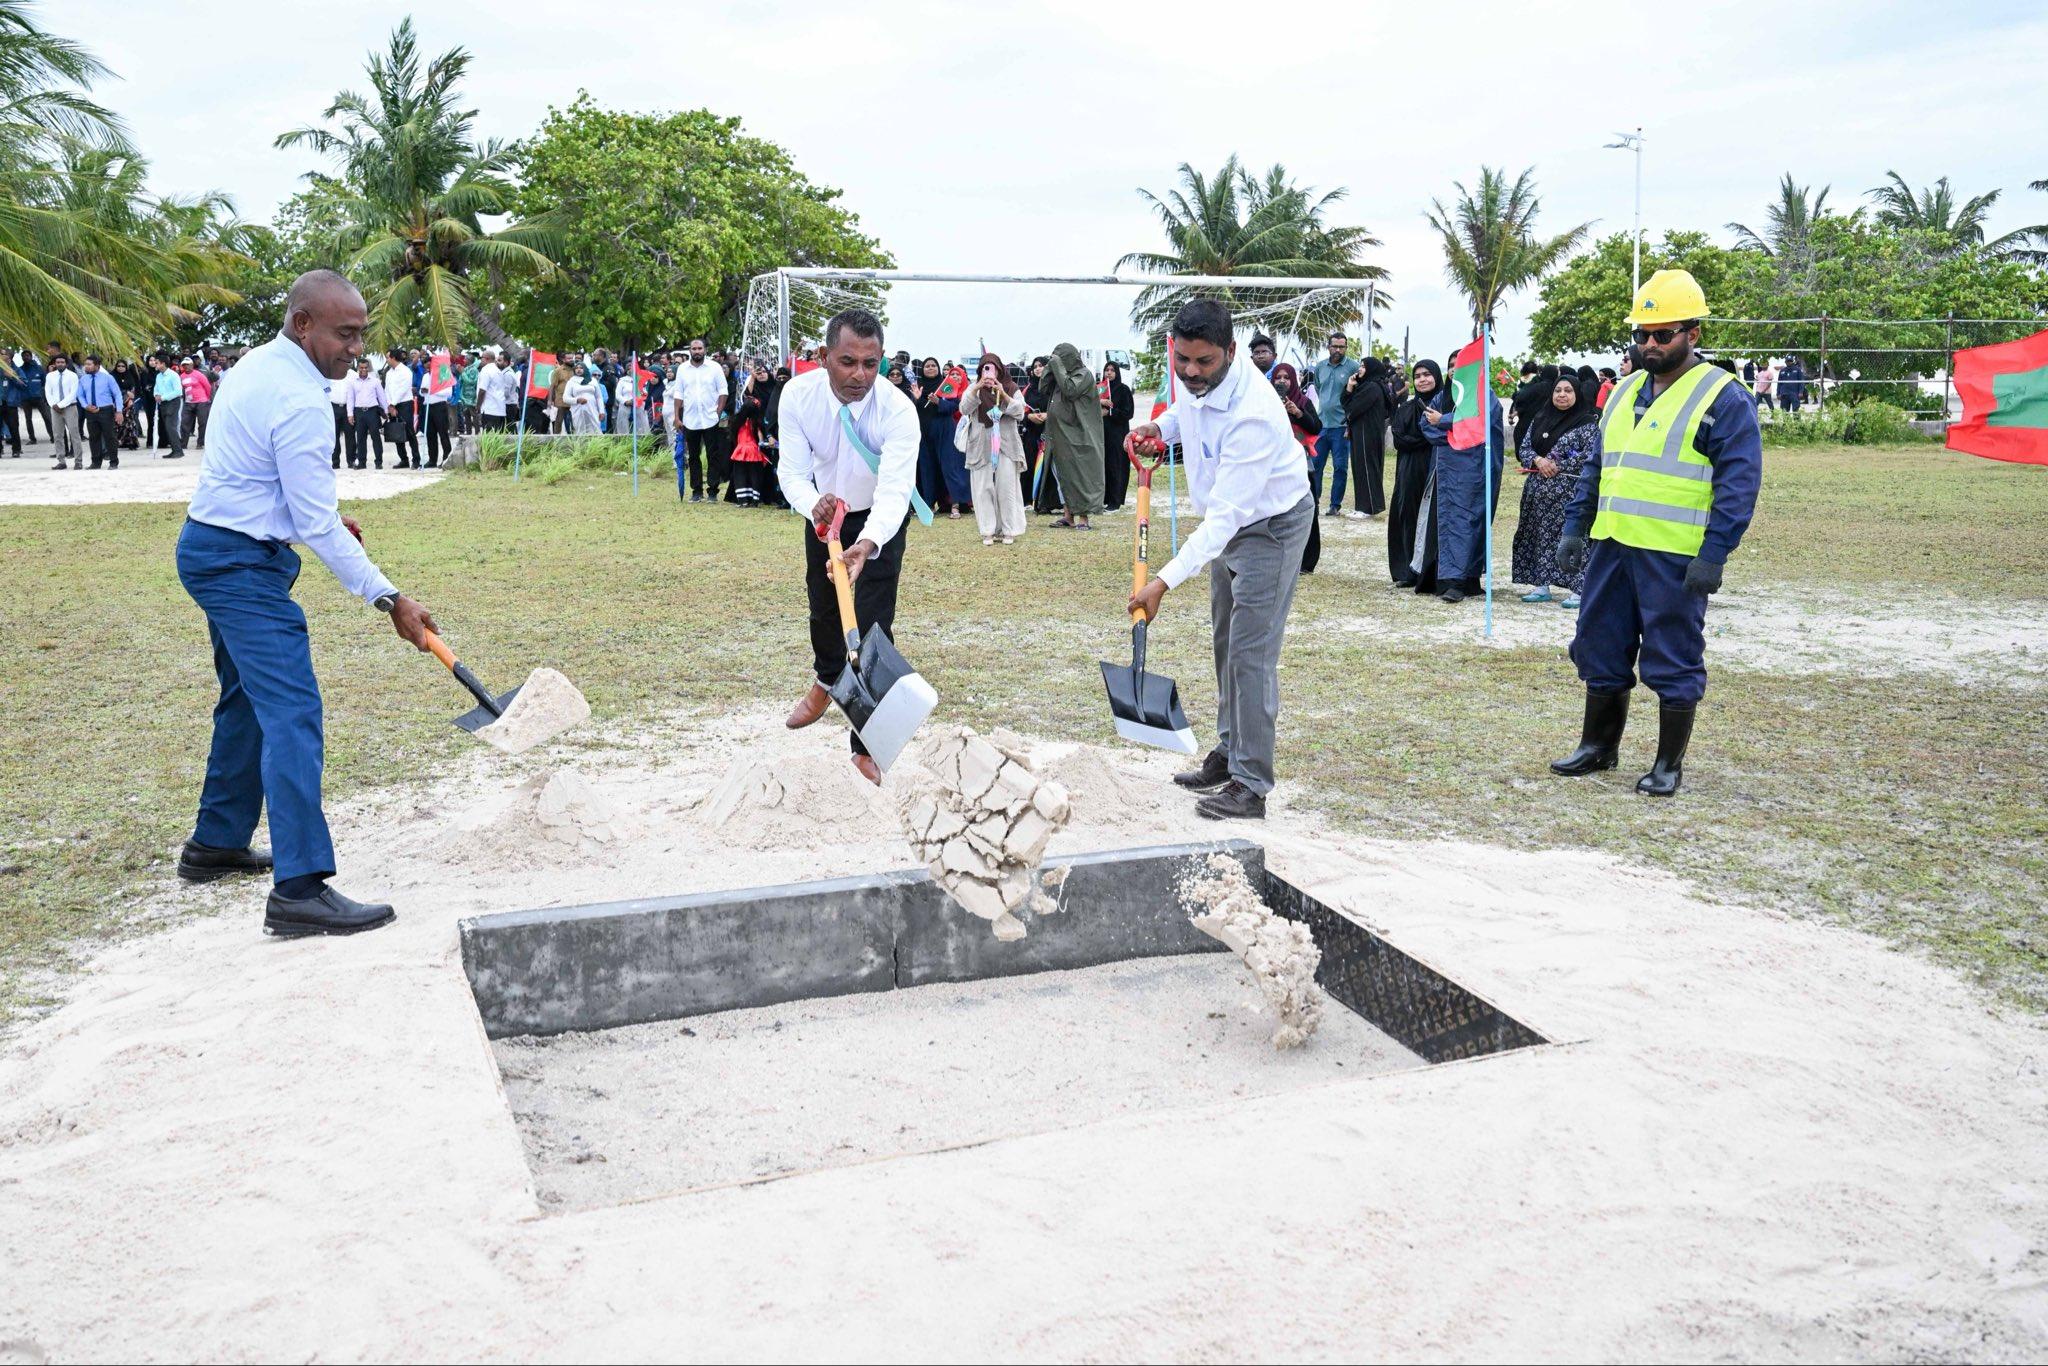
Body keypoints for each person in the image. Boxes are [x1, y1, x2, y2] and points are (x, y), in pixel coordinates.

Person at [177, 271, 442, 935]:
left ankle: (216, 843)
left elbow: (264, 485)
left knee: (247, 700)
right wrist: (391, 599)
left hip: (215, 544)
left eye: (361, 334)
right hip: (239, 566)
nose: (358, 348)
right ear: (303, 325)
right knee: (292, 710)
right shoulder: (299, 398)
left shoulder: (257, 365)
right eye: (345, 334)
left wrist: (304, 521)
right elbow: (317, 521)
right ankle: (299, 889)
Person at [1550, 269, 1762, 797]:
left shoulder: (1723, 397)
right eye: (1642, 334)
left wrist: (1715, 554)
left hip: (1675, 554)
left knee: (1672, 655)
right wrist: (1576, 527)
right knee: (1598, 645)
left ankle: (1668, 763)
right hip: (1614, 546)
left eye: (1662, 334)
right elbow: (1599, 467)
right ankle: (1599, 747)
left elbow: (1739, 484)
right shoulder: (1620, 393)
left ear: (1693, 333)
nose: (1650, 343)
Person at [1124, 300, 1312, 821]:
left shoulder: (1254, 412)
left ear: (1230, 352)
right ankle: (1229, 752)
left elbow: (1225, 519)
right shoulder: (1196, 382)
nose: (1190, 371)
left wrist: (1161, 581)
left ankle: (1251, 784)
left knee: (1251, 652)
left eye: (1203, 362)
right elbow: (1186, 414)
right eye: (1183, 359)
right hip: (1228, 523)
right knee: (1226, 639)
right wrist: (1160, 430)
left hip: (1269, 527)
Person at [776, 308, 920, 786]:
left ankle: (868, 745)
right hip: (823, 510)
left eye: (871, 363)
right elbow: (791, 472)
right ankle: (825, 680)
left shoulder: (897, 409)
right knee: (823, 609)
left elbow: (896, 490)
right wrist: (813, 504)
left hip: (879, 518)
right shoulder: (798, 396)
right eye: (847, 362)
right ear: (823, 357)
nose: (860, 375)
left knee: (875, 626)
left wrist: (869, 541)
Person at [1423, 354, 1505, 603]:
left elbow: (1479, 424)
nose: (1453, 371)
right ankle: (1454, 581)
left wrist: (1445, 422)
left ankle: (1469, 579)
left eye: (1459, 367)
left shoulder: (1484, 395)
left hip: (1477, 471)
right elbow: (1426, 424)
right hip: (1450, 473)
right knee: (1453, 524)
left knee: (1473, 523)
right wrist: (1452, 433)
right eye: (1450, 367)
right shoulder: (1443, 396)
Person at [1512, 372, 1598, 606]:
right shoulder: (1540, 418)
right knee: (1539, 535)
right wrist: (1539, 461)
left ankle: (1579, 589)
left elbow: (1591, 453)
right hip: (1538, 491)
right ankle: (1541, 585)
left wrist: (1558, 465)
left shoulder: (1588, 422)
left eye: (1568, 391)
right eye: (1558, 391)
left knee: (1573, 538)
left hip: (1571, 492)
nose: (1562, 395)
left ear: (1577, 394)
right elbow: (1525, 447)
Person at [1388, 360, 1446, 592]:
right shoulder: (1406, 409)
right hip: (1410, 469)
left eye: (1427, 374)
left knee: (1434, 518)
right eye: (1418, 375)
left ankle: (1433, 572)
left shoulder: (1446, 407)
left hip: (1437, 467)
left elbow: (1446, 433)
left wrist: (1430, 434)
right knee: (1408, 514)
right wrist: (1428, 436)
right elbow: (1399, 439)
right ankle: (1408, 571)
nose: (1422, 379)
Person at [961, 353, 1028, 545]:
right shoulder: (973, 388)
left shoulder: (1011, 387)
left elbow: (1020, 412)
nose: (988, 372)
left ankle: (1008, 530)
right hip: (981, 443)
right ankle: (987, 530)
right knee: (983, 487)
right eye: (984, 368)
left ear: (999, 370)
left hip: (1005, 443)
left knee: (1006, 486)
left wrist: (1002, 393)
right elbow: (964, 408)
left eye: (992, 368)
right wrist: (977, 389)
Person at [1044, 342, 1105, 530]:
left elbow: (1070, 390)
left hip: (1079, 436)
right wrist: (1049, 368)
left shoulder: (1083, 375)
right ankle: (1067, 516)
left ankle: (1083, 519)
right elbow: (1043, 388)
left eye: (1061, 360)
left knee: (1081, 476)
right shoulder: (1061, 376)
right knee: (1063, 475)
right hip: (1059, 435)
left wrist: (1057, 367)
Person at [1269, 363, 1323, 574]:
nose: (1282, 381)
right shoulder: (1265, 403)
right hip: (1274, 467)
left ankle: (1307, 562)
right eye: (1278, 377)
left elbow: (1316, 427)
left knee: (1307, 509)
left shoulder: (1303, 402)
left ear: (1294, 380)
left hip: (1302, 464)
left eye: (1286, 378)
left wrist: (1298, 413)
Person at [1309, 332, 1360, 516]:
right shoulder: (1320, 367)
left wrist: (1350, 423)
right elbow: (1319, 388)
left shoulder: (1353, 366)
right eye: (1335, 346)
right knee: (1315, 465)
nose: (1338, 350)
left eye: (1342, 346)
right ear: (1328, 346)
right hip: (1321, 425)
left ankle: (1335, 505)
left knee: (1340, 467)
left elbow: (1357, 395)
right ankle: (1314, 501)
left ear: (1346, 347)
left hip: (1342, 427)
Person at [671, 338, 727, 502]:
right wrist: (676, 417)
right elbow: (678, 393)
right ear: (690, 350)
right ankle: (696, 491)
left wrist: (718, 412)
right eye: (694, 348)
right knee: (693, 456)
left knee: (713, 455)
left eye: (699, 348)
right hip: (690, 419)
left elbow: (723, 391)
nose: (696, 351)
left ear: (705, 350)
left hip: (711, 419)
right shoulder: (682, 369)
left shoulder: (714, 368)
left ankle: (712, 491)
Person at [1342, 357, 1393, 516]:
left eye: (1363, 367)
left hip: (1366, 433)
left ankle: (1366, 508)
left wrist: (1350, 391)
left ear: (1372, 369)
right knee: (1363, 468)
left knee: (1366, 469)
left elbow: (1351, 408)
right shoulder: (1371, 386)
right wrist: (1350, 387)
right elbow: (1347, 404)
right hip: (1365, 432)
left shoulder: (1371, 387)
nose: (1360, 370)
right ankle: (1366, 507)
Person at [912, 357, 959, 517]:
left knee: (948, 467)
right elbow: (909, 410)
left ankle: (953, 504)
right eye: (927, 366)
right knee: (926, 469)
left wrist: (939, 402)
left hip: (944, 433)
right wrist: (916, 399)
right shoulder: (917, 386)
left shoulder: (945, 385)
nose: (930, 368)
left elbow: (954, 406)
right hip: (924, 434)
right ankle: (928, 504)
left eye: (933, 365)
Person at [1099, 360, 1134, 512]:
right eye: (1107, 369)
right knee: (1104, 466)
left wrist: (1110, 412)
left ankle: (1115, 500)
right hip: (1102, 434)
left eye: (1112, 370)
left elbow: (1129, 413)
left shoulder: (1123, 389)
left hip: (1118, 434)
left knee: (1116, 466)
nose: (1109, 372)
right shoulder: (1099, 390)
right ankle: (1105, 499)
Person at [77, 355, 121, 469]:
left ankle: (113, 462)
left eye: (89, 364)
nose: (86, 366)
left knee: (109, 436)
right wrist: (86, 406)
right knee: (93, 437)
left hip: (106, 410)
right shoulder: (83, 379)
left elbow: (117, 394)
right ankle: (96, 462)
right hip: (90, 411)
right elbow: (80, 395)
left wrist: (119, 411)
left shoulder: (108, 378)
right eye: (85, 364)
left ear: (97, 366)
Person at [379, 347, 419, 468]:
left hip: (404, 404)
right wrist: (389, 405)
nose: (386, 360)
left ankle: (416, 459)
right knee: (396, 432)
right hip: (392, 406)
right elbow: (387, 390)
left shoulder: (405, 371)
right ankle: (404, 460)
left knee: (409, 432)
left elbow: (403, 389)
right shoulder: (389, 372)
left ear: (393, 358)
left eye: (387, 357)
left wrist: (393, 404)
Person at [342, 357, 385, 468]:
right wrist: (350, 414)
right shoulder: (352, 382)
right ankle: (362, 463)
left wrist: (386, 411)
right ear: (358, 368)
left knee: (376, 437)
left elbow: (382, 397)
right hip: (359, 412)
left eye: (366, 367)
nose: (363, 370)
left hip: (372, 411)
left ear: (368, 368)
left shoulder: (375, 381)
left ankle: (379, 462)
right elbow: (350, 399)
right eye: (361, 368)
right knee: (360, 438)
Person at [45, 353, 80, 470]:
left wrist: (61, 405)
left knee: (74, 435)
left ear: (66, 363)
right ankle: (61, 461)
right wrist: (54, 405)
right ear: (54, 363)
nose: (60, 364)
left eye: (62, 362)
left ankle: (78, 461)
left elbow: (73, 393)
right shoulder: (50, 376)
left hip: (70, 407)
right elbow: (48, 392)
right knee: (57, 435)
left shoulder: (73, 376)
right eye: (58, 362)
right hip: (55, 409)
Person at [154, 357, 187, 461]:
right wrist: (156, 395)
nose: (155, 364)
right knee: (167, 427)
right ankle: (174, 450)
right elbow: (156, 388)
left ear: (163, 363)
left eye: (157, 362)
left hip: (173, 402)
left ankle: (178, 450)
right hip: (163, 403)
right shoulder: (158, 376)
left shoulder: (173, 375)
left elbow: (178, 391)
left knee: (170, 426)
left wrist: (163, 397)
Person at [179, 357, 213, 449]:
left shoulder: (199, 374)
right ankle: (183, 444)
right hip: (188, 402)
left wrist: (207, 398)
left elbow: (207, 386)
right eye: (184, 365)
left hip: (201, 401)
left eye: (187, 364)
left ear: (192, 365)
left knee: (202, 423)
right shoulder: (181, 376)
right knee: (184, 423)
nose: (186, 366)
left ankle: (200, 443)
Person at [18, 350, 47, 444]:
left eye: (27, 355)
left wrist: (39, 392)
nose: (25, 357)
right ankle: (32, 439)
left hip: (38, 397)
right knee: (28, 419)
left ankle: (52, 437)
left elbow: (44, 382)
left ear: (31, 356)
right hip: (25, 398)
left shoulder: (39, 368)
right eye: (24, 356)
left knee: (46, 417)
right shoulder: (20, 369)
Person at [476, 349, 508, 431]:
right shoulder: (498, 371)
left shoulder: (486, 370)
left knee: (489, 439)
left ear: (487, 359)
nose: (480, 360)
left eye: (481, 358)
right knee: (498, 440)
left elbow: (482, 390)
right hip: (500, 410)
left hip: (489, 410)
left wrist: (478, 406)